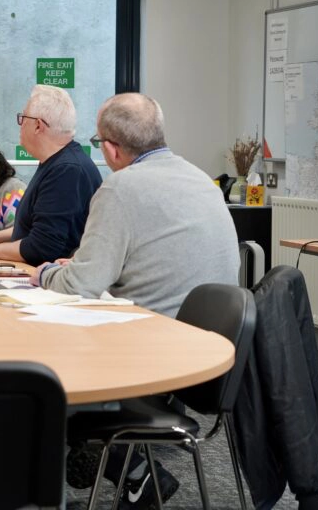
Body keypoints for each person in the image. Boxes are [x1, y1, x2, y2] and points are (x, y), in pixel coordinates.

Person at [39, 93, 239, 509]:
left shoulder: (121, 187)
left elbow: (77, 287)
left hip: (149, 354)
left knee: (43, 384)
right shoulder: (200, 178)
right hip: (207, 356)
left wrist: (40, 272)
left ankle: (130, 474)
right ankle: (135, 475)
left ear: (111, 148)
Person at [0, 85, 101, 265]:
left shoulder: (66, 170)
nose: (20, 125)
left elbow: (43, 247)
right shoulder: (56, 163)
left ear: (37, 125)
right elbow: (33, 230)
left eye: (23, 118)